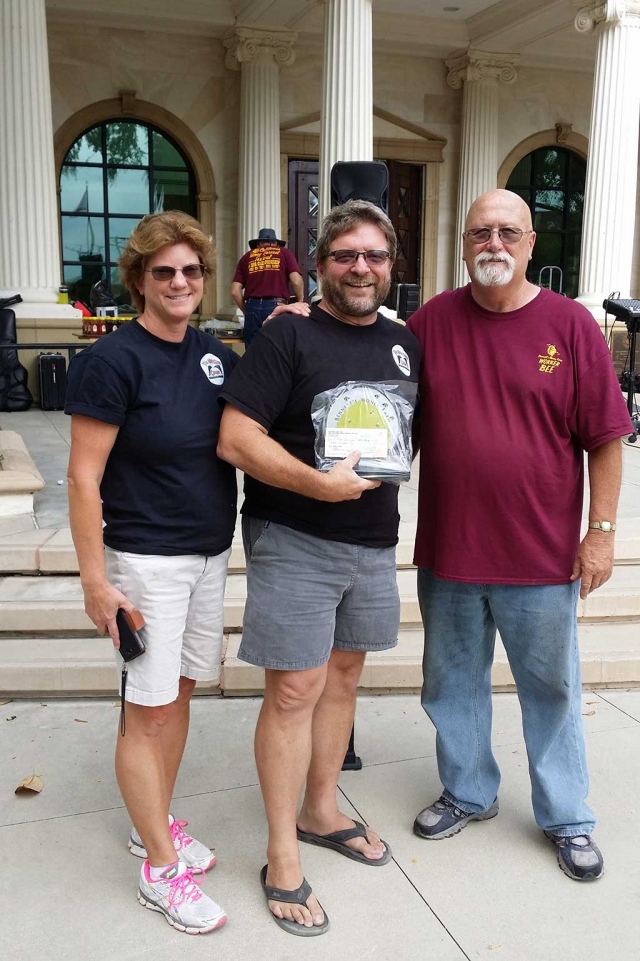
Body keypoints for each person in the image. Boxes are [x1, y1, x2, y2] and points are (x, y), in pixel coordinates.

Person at [406, 188, 632, 882]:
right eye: (481, 232)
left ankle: (567, 815)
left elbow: (606, 439)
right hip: (449, 548)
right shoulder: (428, 324)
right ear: (465, 242)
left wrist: (600, 532)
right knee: (450, 682)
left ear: (532, 244)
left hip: (540, 553)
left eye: (508, 231)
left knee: (552, 688)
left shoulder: (571, 325)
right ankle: (468, 790)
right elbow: (383, 412)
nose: (493, 243)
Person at [218, 199, 421, 936]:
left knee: (342, 678)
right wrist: (316, 482)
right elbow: (236, 438)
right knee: (295, 688)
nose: (360, 267)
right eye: (345, 255)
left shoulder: (406, 345)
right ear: (321, 264)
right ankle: (280, 854)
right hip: (295, 533)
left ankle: (321, 807)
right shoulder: (288, 336)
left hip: (372, 539)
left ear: (392, 267)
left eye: (373, 255)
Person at [65, 211, 238, 935]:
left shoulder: (214, 353)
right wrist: (96, 581)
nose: (178, 282)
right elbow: (81, 476)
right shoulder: (112, 360)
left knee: (181, 692)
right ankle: (160, 870)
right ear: (139, 279)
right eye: (163, 271)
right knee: (148, 710)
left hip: (209, 555)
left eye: (191, 271)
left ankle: (152, 823)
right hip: (145, 561)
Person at [231, 227, 304, 346]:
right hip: (277, 306)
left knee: (252, 351)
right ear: (275, 243)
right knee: (277, 348)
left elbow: (235, 291)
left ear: (258, 243)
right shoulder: (284, 253)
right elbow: (296, 281)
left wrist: (247, 310)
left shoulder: (246, 257)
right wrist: (300, 301)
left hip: (252, 307)